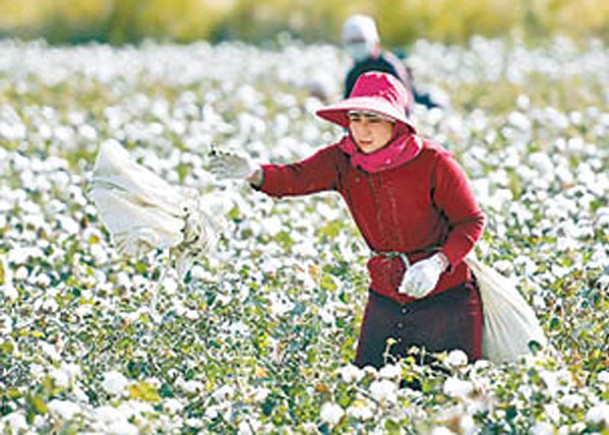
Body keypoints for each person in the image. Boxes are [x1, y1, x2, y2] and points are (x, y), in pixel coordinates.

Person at [208, 72, 485, 369]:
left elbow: (470, 221)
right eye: (356, 118)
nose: (363, 130)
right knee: (369, 388)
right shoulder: (342, 160)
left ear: (396, 122)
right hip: (386, 297)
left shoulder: (433, 162)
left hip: (445, 299)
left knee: (446, 393)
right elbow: (295, 178)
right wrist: (254, 172)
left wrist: (437, 264)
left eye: (374, 119)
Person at [342, 14, 440, 114]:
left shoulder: (388, 65)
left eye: (360, 41)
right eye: (352, 42)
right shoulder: (353, 74)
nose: (357, 46)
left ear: (374, 42)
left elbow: (406, 102)